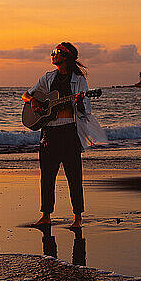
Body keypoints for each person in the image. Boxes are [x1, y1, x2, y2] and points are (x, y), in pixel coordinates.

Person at [22, 42, 106, 228]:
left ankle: (77, 218)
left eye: (57, 52)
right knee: (47, 176)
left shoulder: (79, 80)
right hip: (49, 132)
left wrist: (80, 102)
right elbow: (26, 95)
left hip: (69, 131)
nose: (53, 54)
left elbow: (85, 112)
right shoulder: (48, 77)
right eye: (53, 51)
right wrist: (35, 101)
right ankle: (46, 216)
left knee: (74, 175)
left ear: (66, 56)